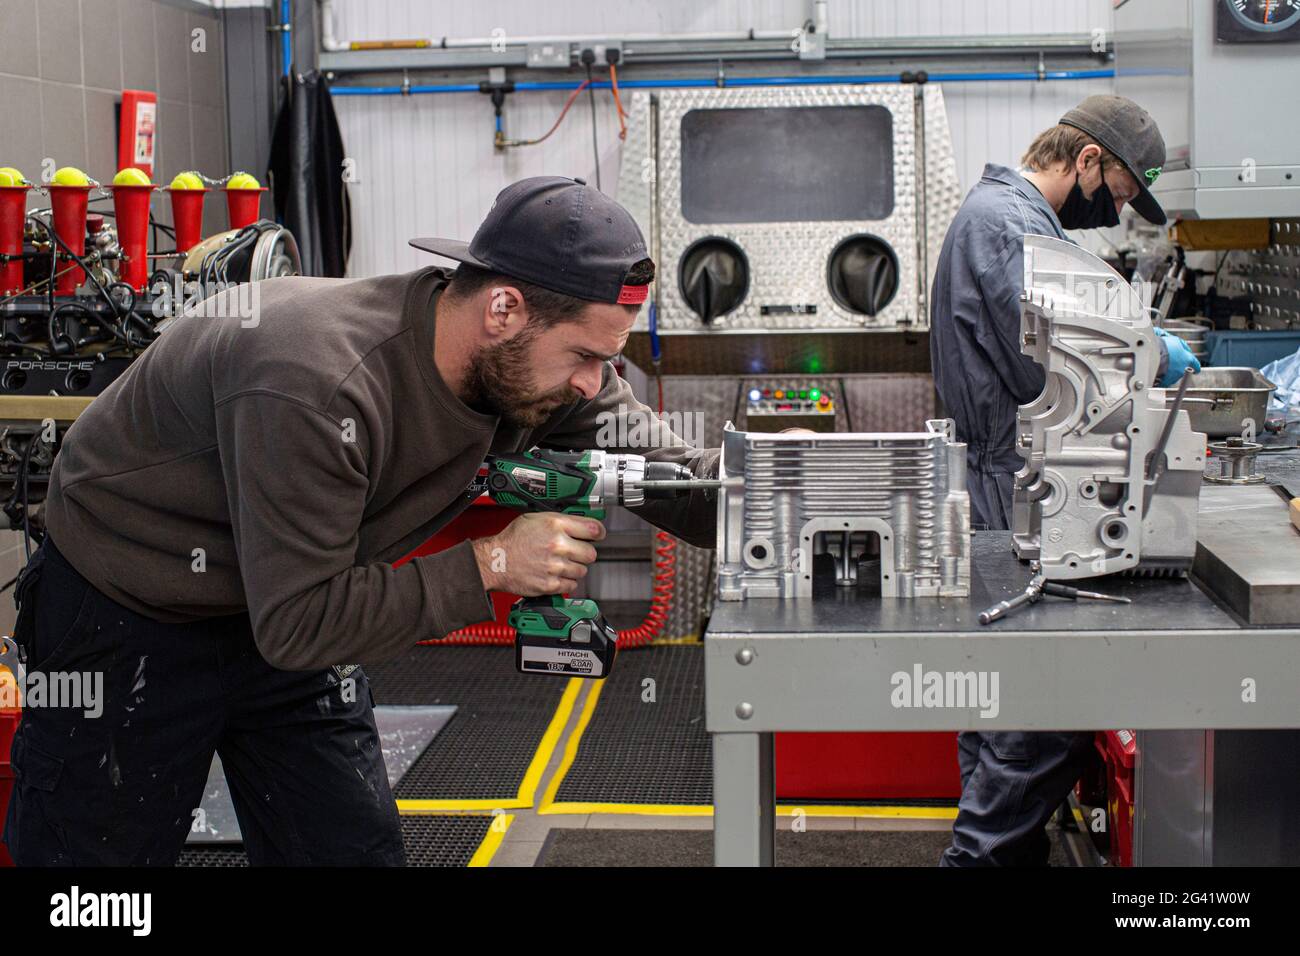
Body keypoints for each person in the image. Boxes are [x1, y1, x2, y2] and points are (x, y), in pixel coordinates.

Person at [5, 176, 719, 865]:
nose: (595, 384)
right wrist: (492, 564)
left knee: (346, 851)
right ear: (503, 310)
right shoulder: (318, 383)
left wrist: (789, 488)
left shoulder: (540, 370)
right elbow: (300, 621)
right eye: (586, 357)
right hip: (131, 603)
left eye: (608, 360)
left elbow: (676, 474)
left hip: (293, 597)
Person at [930, 95, 1200, 866]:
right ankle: (978, 862)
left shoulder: (1012, 220)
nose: (1115, 212)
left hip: (1010, 473)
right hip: (1015, 482)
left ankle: (991, 855)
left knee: (1002, 700)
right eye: (1115, 191)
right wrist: (1151, 358)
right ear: (1085, 161)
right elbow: (1054, 367)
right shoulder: (1008, 225)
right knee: (1039, 707)